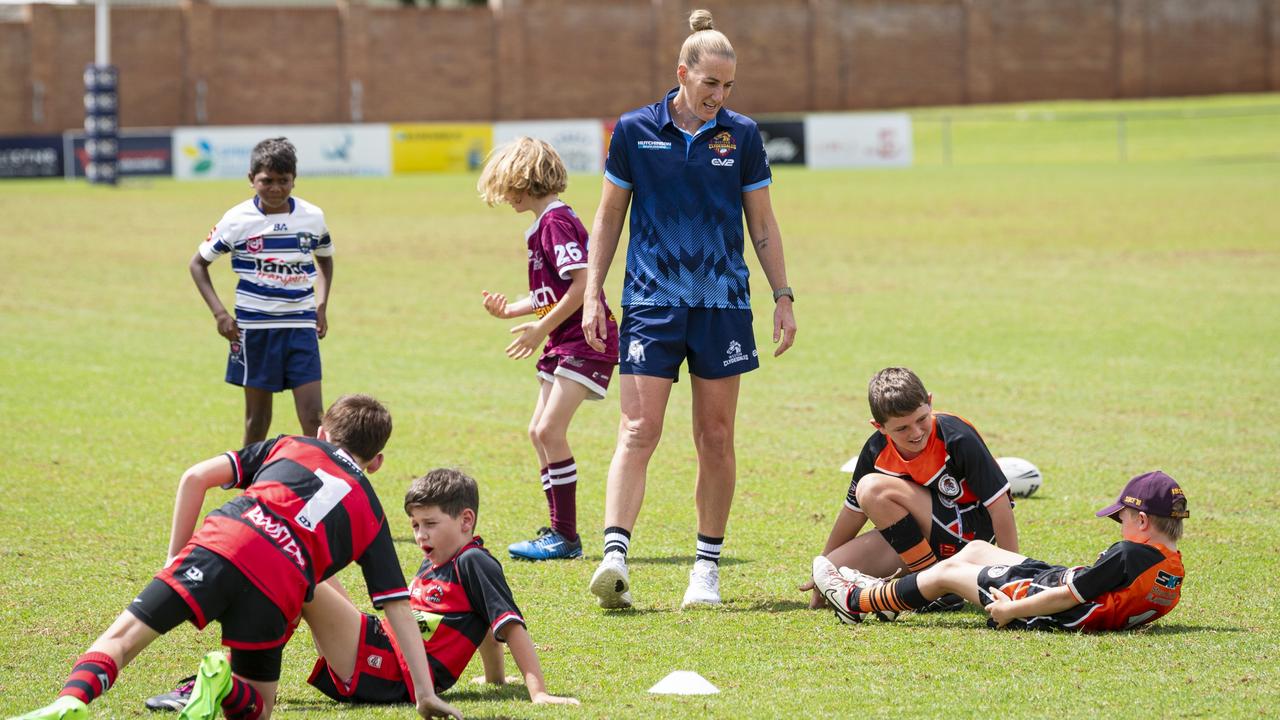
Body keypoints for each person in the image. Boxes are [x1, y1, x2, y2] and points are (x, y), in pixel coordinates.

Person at [12, 395, 461, 720]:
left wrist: (176, 560)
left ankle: (70, 699)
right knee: (258, 708)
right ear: (377, 462)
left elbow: (195, 478)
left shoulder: (291, 444)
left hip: (222, 543)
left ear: (321, 433)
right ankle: (223, 684)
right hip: (279, 586)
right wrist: (423, 692)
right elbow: (396, 605)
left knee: (123, 638)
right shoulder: (372, 516)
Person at [581, 8, 797, 609]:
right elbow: (608, 216)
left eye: (728, 87)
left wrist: (782, 295)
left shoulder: (743, 136)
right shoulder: (633, 130)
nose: (718, 96)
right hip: (650, 300)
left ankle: (706, 569)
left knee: (716, 437)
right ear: (683, 72)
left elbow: (763, 225)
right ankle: (616, 557)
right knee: (638, 429)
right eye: (710, 84)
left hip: (723, 303)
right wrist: (594, 289)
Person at [303, 468, 579, 706]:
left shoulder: (473, 561)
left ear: (466, 520)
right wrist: (496, 679)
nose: (420, 534)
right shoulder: (434, 560)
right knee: (305, 565)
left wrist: (538, 692)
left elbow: (510, 626)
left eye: (430, 523)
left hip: (390, 669)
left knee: (297, 572)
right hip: (380, 650)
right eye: (415, 525)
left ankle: (259, 678)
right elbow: (484, 622)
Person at [476, 137, 619, 561]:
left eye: (506, 186)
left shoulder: (556, 221)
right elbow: (551, 291)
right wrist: (511, 310)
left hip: (584, 339)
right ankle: (559, 532)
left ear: (522, 180)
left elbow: (580, 286)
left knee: (548, 431)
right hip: (562, 338)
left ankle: (565, 537)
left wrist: (538, 328)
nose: (504, 196)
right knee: (538, 432)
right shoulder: (543, 223)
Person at [813, 470, 1188, 631]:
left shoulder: (1129, 554)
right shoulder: (1172, 571)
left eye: (1121, 518)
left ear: (1141, 521)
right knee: (975, 548)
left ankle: (857, 600)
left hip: (1047, 604)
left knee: (947, 574)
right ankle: (894, 600)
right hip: (1059, 589)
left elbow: (1069, 595)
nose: (1120, 526)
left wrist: (1013, 609)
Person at [800, 367, 1019, 611]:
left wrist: (1010, 577)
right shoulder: (875, 449)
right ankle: (933, 584)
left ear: (930, 402)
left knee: (872, 489)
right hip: (923, 541)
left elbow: (1000, 508)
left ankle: (932, 587)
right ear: (879, 427)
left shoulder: (957, 436)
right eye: (902, 428)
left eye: (921, 419)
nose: (916, 432)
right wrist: (820, 570)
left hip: (969, 537)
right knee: (835, 570)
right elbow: (852, 512)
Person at [189, 137, 334, 447]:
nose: (276, 188)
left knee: (313, 417)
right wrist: (219, 314)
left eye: (284, 181)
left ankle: (319, 485)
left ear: (294, 180)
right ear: (251, 179)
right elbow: (198, 264)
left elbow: (325, 259)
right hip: (254, 331)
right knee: (257, 420)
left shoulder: (312, 217)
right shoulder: (237, 220)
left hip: (300, 327)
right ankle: (249, 489)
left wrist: (321, 305)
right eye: (266, 181)